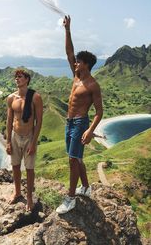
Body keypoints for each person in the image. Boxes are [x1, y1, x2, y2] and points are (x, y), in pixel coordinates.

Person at [56, 15, 103, 214]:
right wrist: (67, 30)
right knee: (75, 157)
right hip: (69, 122)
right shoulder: (76, 77)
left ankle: (71, 198)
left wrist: (90, 131)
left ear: (86, 65)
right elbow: (69, 52)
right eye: (76, 61)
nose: (75, 63)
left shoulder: (93, 85)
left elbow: (99, 112)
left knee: (73, 160)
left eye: (79, 61)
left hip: (80, 123)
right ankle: (86, 187)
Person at [6, 69, 43, 211]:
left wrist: (33, 142)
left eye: (20, 77)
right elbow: (9, 120)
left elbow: (39, 122)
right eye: (15, 77)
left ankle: (28, 197)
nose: (17, 79)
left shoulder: (35, 97)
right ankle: (17, 192)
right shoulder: (11, 98)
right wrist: (8, 141)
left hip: (29, 137)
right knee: (15, 165)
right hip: (15, 136)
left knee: (29, 169)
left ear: (27, 79)